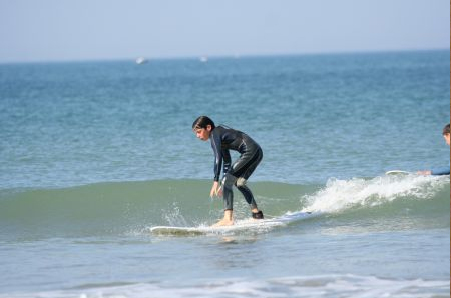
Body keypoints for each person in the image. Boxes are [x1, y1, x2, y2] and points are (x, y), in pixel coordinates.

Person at [192, 116, 264, 226]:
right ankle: (257, 215)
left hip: (250, 151)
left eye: (199, 132)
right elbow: (226, 161)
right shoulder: (220, 135)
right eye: (195, 133)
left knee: (228, 182)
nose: (197, 136)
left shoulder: (214, 134)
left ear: (208, 127)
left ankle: (228, 219)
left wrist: (216, 181)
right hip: (257, 152)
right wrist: (223, 182)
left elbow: (217, 158)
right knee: (239, 183)